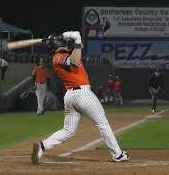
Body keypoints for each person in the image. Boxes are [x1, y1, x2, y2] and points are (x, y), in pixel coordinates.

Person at [31, 31, 129, 164]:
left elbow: (79, 47)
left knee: (68, 130)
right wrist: (76, 39)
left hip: (71, 97)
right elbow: (75, 62)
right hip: (82, 94)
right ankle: (118, 154)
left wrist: (74, 38)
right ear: (58, 44)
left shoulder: (64, 53)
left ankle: (42, 146)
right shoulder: (58, 57)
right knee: (102, 123)